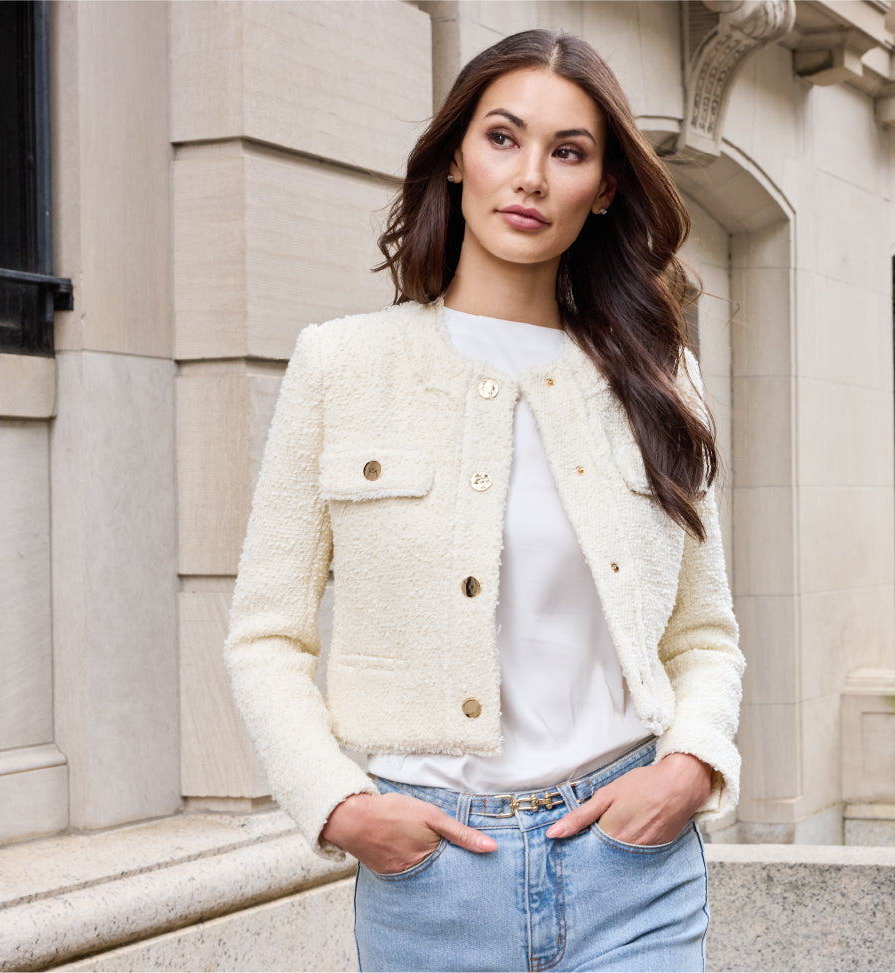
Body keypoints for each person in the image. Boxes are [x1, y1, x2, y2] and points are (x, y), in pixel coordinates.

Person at [224, 27, 744, 973]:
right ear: (456, 158)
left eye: (569, 151)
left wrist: (689, 765)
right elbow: (267, 634)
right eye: (503, 138)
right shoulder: (342, 365)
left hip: (633, 867)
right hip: (433, 880)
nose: (532, 176)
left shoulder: (662, 378)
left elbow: (702, 633)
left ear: (605, 188)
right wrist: (341, 806)